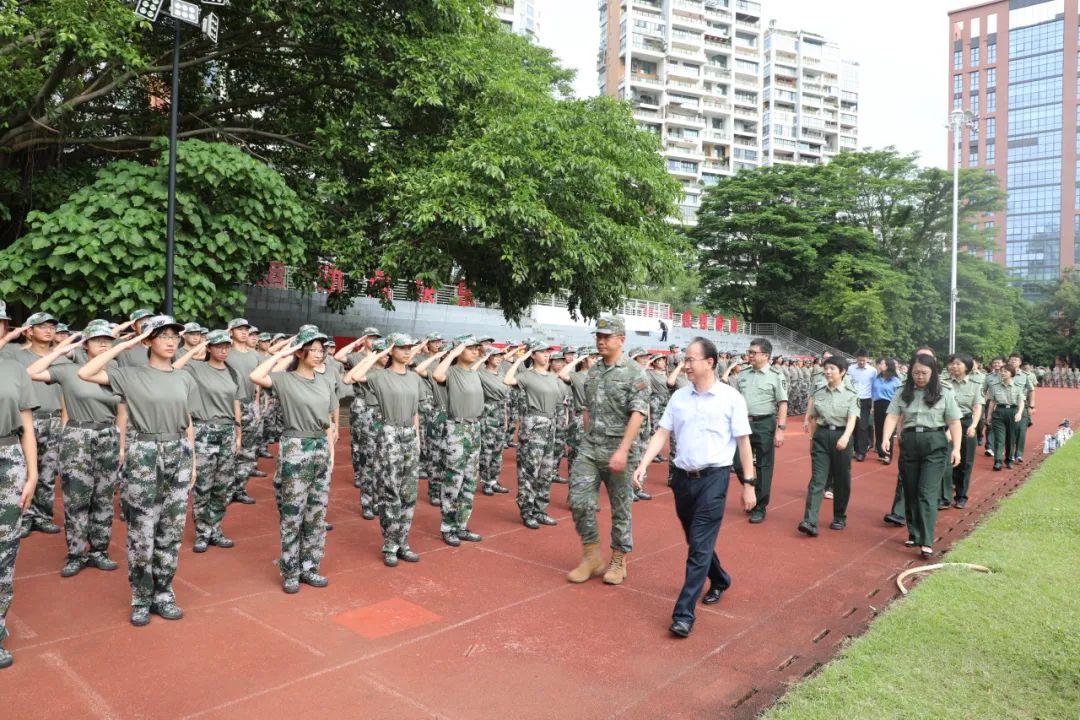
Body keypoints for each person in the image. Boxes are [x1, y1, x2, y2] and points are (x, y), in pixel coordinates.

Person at [631, 337, 755, 638]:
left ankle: (683, 614)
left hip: (715, 478)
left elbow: (743, 442)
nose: (684, 364)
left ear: (709, 363)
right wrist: (644, 463)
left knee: (698, 546)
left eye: (690, 359)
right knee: (696, 540)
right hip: (683, 480)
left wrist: (748, 483)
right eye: (684, 359)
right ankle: (721, 578)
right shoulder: (680, 398)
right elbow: (662, 432)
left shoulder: (730, 398)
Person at [79, 315, 198, 626]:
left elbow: (188, 424)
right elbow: (86, 371)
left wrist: (193, 462)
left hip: (178, 452)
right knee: (142, 530)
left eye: (175, 335)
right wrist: (128, 341)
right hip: (144, 451)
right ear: (147, 341)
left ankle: (164, 593)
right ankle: (141, 597)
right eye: (162, 335)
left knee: (171, 530)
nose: (171, 341)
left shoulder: (184, 377)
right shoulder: (129, 375)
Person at [25, 321, 126, 575]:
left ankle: (99, 550)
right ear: (86, 343)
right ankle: (76, 553)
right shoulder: (68, 369)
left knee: (103, 496)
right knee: (76, 497)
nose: (103, 344)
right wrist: (60, 349)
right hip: (77, 436)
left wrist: (122, 445)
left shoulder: (116, 370)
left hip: (107, 434)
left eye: (107, 340)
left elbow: (122, 411)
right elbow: (31, 371)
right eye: (97, 340)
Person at [560, 315, 648, 586]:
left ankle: (618, 559)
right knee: (578, 500)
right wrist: (587, 436)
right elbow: (588, 409)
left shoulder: (635, 372)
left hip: (619, 448)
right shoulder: (594, 371)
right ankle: (591, 556)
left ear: (621, 340)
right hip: (591, 446)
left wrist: (622, 451)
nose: (601, 341)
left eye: (606, 337)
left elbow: (638, 412)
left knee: (621, 507)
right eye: (598, 336)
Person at [249, 328, 337, 593]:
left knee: (317, 512)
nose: (320, 354)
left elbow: (330, 423)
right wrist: (284, 351)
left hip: (321, 446)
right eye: (314, 349)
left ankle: (310, 567)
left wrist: (331, 456)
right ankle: (290, 570)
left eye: (322, 350)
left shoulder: (324, 381)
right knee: (292, 513)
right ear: (300, 352)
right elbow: (255, 376)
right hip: (296, 447)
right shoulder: (285, 380)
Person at [344, 334, 425, 567]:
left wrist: (417, 437)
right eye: (401, 348)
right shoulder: (380, 376)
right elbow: (352, 377)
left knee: (409, 492)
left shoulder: (414, 378)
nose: (407, 351)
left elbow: (415, 412)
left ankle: (404, 542)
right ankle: (390, 544)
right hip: (389, 433)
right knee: (391, 490)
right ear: (391, 350)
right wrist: (377, 355)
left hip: (409, 433)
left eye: (409, 347)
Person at [880, 354, 962, 559]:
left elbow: (954, 422)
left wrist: (957, 448)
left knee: (926, 492)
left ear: (933, 372)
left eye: (924, 373)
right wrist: (885, 438)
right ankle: (914, 533)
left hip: (934, 443)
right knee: (910, 489)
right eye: (915, 373)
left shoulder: (944, 392)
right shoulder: (903, 392)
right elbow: (892, 416)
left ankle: (926, 540)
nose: (919, 377)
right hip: (909, 443)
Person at [173, 329, 242, 553]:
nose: (223, 349)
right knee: (203, 484)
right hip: (204, 429)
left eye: (227, 346)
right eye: (218, 345)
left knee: (224, 485)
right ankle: (203, 531)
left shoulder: (233, 373)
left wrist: (239, 433)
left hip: (228, 429)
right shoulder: (196, 368)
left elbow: (236, 404)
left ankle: (215, 527)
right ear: (209, 348)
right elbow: (175, 367)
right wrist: (196, 348)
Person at [6, 312, 64, 537]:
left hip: (54, 418)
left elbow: (65, 393)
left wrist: (64, 421)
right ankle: (24, 515)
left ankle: (42, 516)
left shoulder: (59, 357)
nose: (48, 330)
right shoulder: (15, 354)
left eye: (51, 326)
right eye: (41, 326)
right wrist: (12, 335)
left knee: (48, 472)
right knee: (23, 471)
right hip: (28, 419)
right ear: (29, 331)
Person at [0, 352, 39, 668]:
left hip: (8, 459)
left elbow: (26, 423)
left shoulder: (15, 370)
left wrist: (33, 472)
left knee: (4, 550)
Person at [723, 338, 788, 524]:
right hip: (743, 424)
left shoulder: (776, 376)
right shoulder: (743, 373)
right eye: (749, 351)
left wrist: (780, 429)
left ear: (765, 356)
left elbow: (782, 403)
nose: (749, 355)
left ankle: (760, 506)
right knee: (737, 462)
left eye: (753, 352)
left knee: (764, 466)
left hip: (765, 423)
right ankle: (750, 490)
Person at [430, 335, 485, 546]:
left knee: (470, 479)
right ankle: (448, 526)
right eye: (469, 348)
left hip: (474, 427)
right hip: (457, 428)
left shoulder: (475, 373)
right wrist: (453, 351)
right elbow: (437, 374)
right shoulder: (451, 372)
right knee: (454, 478)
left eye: (475, 349)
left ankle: (462, 525)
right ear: (459, 350)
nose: (474, 351)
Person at [504, 342, 563, 529]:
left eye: (548, 353)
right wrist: (521, 358)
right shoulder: (527, 376)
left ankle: (540, 510)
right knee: (529, 470)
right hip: (534, 423)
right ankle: (527, 511)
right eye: (543, 352)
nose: (547, 355)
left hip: (550, 424)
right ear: (533, 355)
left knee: (546, 471)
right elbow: (507, 380)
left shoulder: (553, 377)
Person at [799, 356, 858, 537]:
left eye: (832, 368)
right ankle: (810, 520)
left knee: (842, 479)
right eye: (826, 368)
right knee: (818, 479)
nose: (828, 372)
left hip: (841, 436)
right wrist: (812, 438)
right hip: (822, 436)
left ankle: (839, 516)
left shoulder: (850, 394)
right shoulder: (819, 392)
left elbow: (852, 419)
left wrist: (846, 437)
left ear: (842, 372)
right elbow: (814, 418)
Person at [334, 328, 382, 517]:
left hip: (380, 406)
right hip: (362, 402)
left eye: (376, 337)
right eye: (370, 337)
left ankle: (376, 498)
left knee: (378, 454)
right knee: (361, 444)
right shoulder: (357, 356)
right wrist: (357, 342)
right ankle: (360, 476)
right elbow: (339, 356)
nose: (374, 340)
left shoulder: (384, 359)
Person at [224, 318, 262, 504]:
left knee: (248, 450)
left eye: (246, 329)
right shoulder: (225, 352)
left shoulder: (254, 355)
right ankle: (225, 488)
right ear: (231, 331)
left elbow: (258, 382)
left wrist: (257, 405)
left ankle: (239, 488)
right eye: (239, 329)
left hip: (248, 404)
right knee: (229, 450)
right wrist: (224, 334)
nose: (244, 332)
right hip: (227, 406)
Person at [942, 353, 983, 510]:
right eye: (952, 363)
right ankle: (944, 497)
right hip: (945, 423)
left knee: (965, 462)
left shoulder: (975, 384)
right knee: (944, 460)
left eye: (958, 364)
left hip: (965, 423)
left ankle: (961, 496)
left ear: (967, 366)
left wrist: (973, 425)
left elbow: (978, 406)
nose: (954, 366)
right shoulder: (944, 383)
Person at [477, 346, 511, 496]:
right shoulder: (480, 372)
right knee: (487, 449)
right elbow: (471, 370)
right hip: (487, 412)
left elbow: (504, 396)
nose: (499, 358)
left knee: (498, 449)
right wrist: (482, 358)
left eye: (500, 356)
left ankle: (494, 480)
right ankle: (485, 481)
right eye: (495, 356)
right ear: (488, 357)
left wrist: (505, 416)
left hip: (501, 410)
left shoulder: (501, 373)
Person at [987, 364, 1024, 471]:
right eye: (1001, 371)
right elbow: (992, 402)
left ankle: (1009, 460)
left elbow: (1021, 401)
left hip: (1012, 412)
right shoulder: (995, 386)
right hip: (999, 412)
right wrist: (989, 415)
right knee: (999, 438)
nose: (1002, 373)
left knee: (1010, 438)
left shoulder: (1018, 386)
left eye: (1005, 371)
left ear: (1011, 373)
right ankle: (997, 461)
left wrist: (1019, 413)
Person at [1006, 353, 1036, 463]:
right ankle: (1009, 453)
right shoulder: (1003, 373)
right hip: (1007, 406)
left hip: (1022, 405)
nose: (1013, 361)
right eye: (1011, 359)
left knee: (1021, 430)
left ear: (1020, 363)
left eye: (1016, 360)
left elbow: (1031, 390)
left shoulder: (1025, 376)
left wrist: (1032, 406)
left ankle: (1018, 454)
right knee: (1009, 431)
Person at [847, 350, 876, 462]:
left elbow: (874, 388)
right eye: (859, 360)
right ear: (856, 359)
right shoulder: (851, 369)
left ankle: (861, 452)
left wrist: (873, 405)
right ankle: (854, 449)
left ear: (867, 359)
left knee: (862, 426)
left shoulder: (872, 371)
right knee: (852, 424)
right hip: (852, 400)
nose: (861, 362)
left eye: (864, 360)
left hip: (866, 400)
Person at [871, 358, 902, 464]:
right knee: (878, 429)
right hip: (878, 404)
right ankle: (881, 453)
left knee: (888, 430)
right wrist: (872, 406)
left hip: (890, 405)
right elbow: (873, 393)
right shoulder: (877, 378)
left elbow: (898, 396)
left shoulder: (895, 380)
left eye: (882, 364)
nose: (880, 365)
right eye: (879, 364)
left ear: (888, 365)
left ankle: (888, 454)